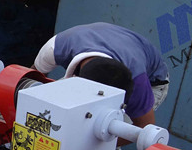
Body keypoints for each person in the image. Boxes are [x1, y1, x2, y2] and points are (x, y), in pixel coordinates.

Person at [33, 22, 170, 129]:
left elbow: (144, 126)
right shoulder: (56, 47)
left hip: (152, 81)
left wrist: (98, 142)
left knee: (104, 129)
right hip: (111, 51)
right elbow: (29, 79)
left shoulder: (137, 83)